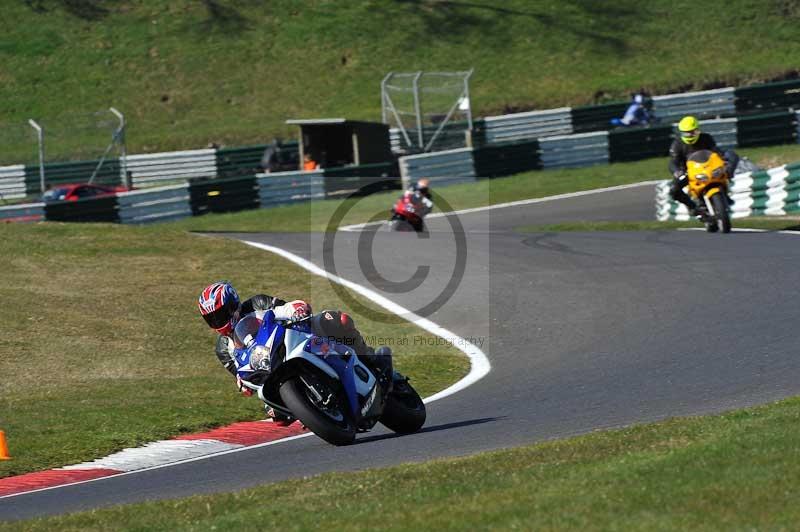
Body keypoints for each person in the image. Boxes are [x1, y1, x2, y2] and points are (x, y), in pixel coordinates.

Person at [198, 281, 393, 423]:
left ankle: (371, 359)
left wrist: (296, 308)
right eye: (212, 318)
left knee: (336, 320)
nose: (218, 321)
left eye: (221, 314)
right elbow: (240, 372)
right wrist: (243, 384)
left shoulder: (257, 303)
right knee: (278, 417)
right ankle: (314, 411)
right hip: (270, 370)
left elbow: (285, 310)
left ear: (233, 305)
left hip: (298, 339)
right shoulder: (222, 348)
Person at [668, 115, 739, 216]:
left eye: (692, 132)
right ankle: (692, 207)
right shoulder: (677, 144)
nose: (690, 135)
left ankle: (727, 183)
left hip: (709, 168)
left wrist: (725, 160)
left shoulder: (706, 138)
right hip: (689, 172)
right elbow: (673, 162)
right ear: (681, 133)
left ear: (697, 130)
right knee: (674, 190)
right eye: (686, 133)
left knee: (732, 155)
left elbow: (716, 151)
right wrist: (677, 172)